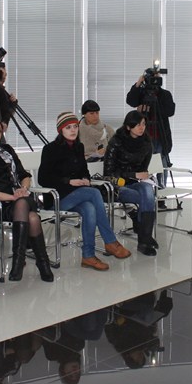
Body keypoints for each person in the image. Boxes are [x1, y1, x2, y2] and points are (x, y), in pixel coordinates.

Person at [38, 112, 131, 271]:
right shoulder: (50, 149)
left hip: (76, 195)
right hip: (57, 198)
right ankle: (110, 241)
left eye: (75, 126)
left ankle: (88, 255)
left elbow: (84, 171)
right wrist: (68, 181)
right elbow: (43, 178)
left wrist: (85, 179)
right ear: (61, 130)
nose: (73, 130)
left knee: (89, 208)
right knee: (93, 193)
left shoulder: (78, 147)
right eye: (68, 127)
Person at [0, 117, 54, 282]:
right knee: (33, 218)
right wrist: (11, 196)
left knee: (22, 204)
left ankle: (18, 261)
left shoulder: (7, 150)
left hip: (22, 199)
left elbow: (24, 175)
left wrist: (23, 188)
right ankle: (43, 264)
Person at [103, 110, 158, 256]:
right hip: (117, 186)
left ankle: (144, 240)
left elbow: (143, 170)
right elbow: (108, 174)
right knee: (146, 198)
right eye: (138, 125)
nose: (142, 127)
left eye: (143, 124)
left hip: (135, 183)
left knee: (148, 191)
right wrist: (133, 175)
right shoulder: (116, 142)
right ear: (128, 126)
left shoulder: (146, 143)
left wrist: (144, 176)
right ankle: (144, 236)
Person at [126, 68, 175, 191]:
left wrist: (151, 108)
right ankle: (147, 193)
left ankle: (161, 193)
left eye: (157, 77)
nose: (155, 80)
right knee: (145, 166)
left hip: (160, 137)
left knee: (162, 166)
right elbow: (130, 101)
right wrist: (138, 84)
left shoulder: (165, 94)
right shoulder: (141, 94)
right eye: (152, 77)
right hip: (144, 138)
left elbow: (170, 111)